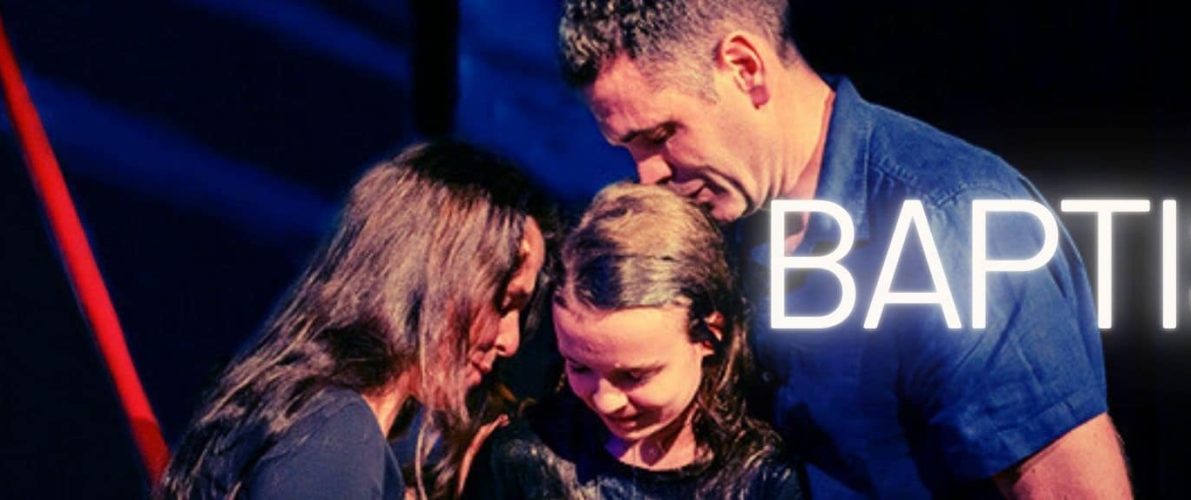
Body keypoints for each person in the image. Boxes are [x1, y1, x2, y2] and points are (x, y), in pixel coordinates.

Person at [557, 0, 1133, 497]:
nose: (647, 172)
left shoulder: (946, 218)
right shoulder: (721, 218)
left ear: (744, 67)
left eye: (661, 135)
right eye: (627, 146)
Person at [156, 141, 557, 499]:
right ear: (439, 275)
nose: (510, 340)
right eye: (504, 302)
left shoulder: (307, 417)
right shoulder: (335, 435)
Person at [463, 182, 803, 499]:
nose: (606, 400)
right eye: (579, 367)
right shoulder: (521, 460)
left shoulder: (763, 477)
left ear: (709, 336)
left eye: (634, 375)